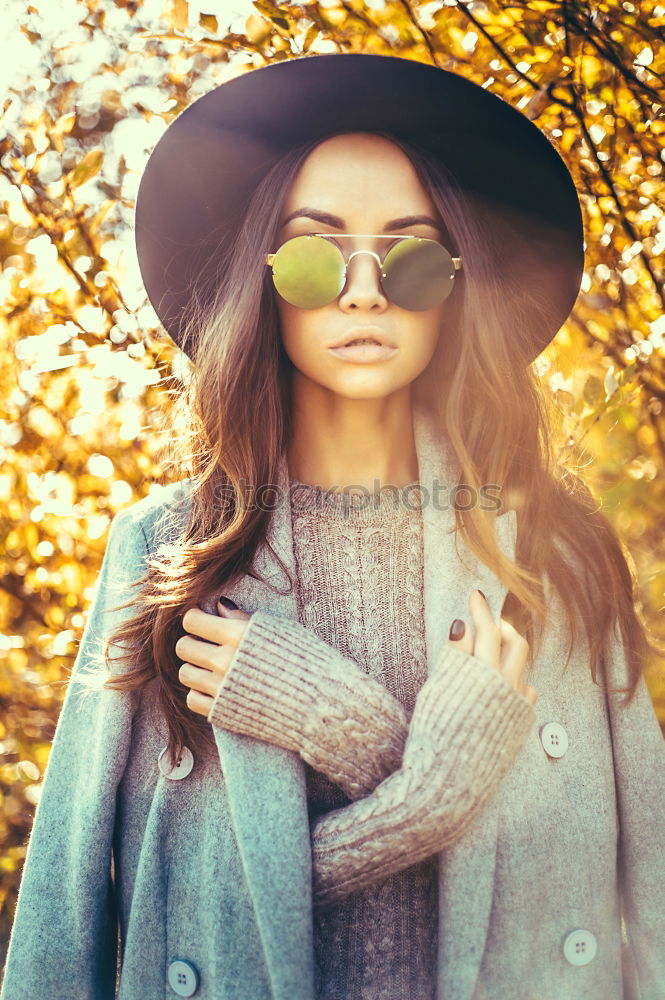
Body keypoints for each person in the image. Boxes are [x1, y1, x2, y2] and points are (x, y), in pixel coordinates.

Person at [1, 53, 663, 1000]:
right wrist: (422, 786)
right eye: (316, 256)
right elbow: (68, 916)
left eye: (412, 257)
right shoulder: (165, 555)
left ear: (455, 280)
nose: (363, 292)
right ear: (263, 281)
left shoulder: (552, 554)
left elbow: (650, 878)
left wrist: (335, 726)